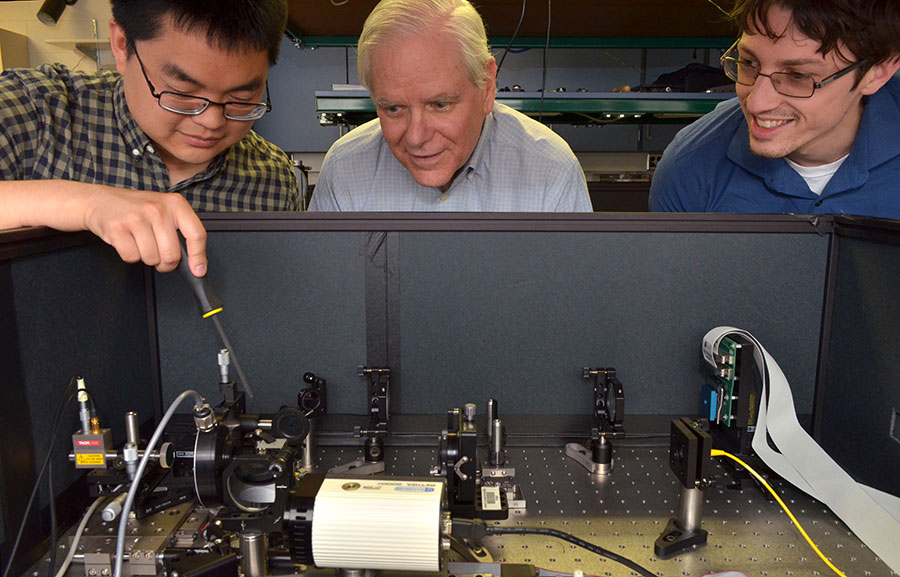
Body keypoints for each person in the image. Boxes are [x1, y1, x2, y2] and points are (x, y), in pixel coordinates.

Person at [0, 0, 300, 276]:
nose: (211, 121)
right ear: (121, 45)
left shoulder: (272, 179)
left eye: (241, 98)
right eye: (182, 93)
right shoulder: (35, 110)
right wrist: (86, 204)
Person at [308, 0, 591, 212]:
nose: (417, 137)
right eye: (393, 108)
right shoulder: (344, 170)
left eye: (440, 104)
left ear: (487, 85)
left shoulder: (551, 172)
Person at [649, 0, 900, 219]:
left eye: (799, 76)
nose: (757, 103)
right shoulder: (689, 166)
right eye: (748, 63)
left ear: (876, 72)